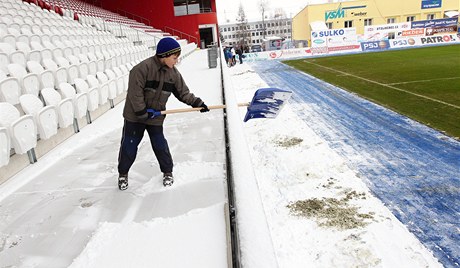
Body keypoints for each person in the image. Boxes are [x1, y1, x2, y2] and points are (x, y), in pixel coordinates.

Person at [117, 37, 209, 190]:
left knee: (160, 144)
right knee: (129, 146)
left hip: (155, 116)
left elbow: (183, 93)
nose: (176, 61)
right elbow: (135, 94)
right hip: (135, 116)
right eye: (174, 58)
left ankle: (167, 172)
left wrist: (197, 103)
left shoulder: (173, 74)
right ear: (165, 55)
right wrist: (142, 113)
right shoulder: (141, 70)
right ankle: (123, 174)